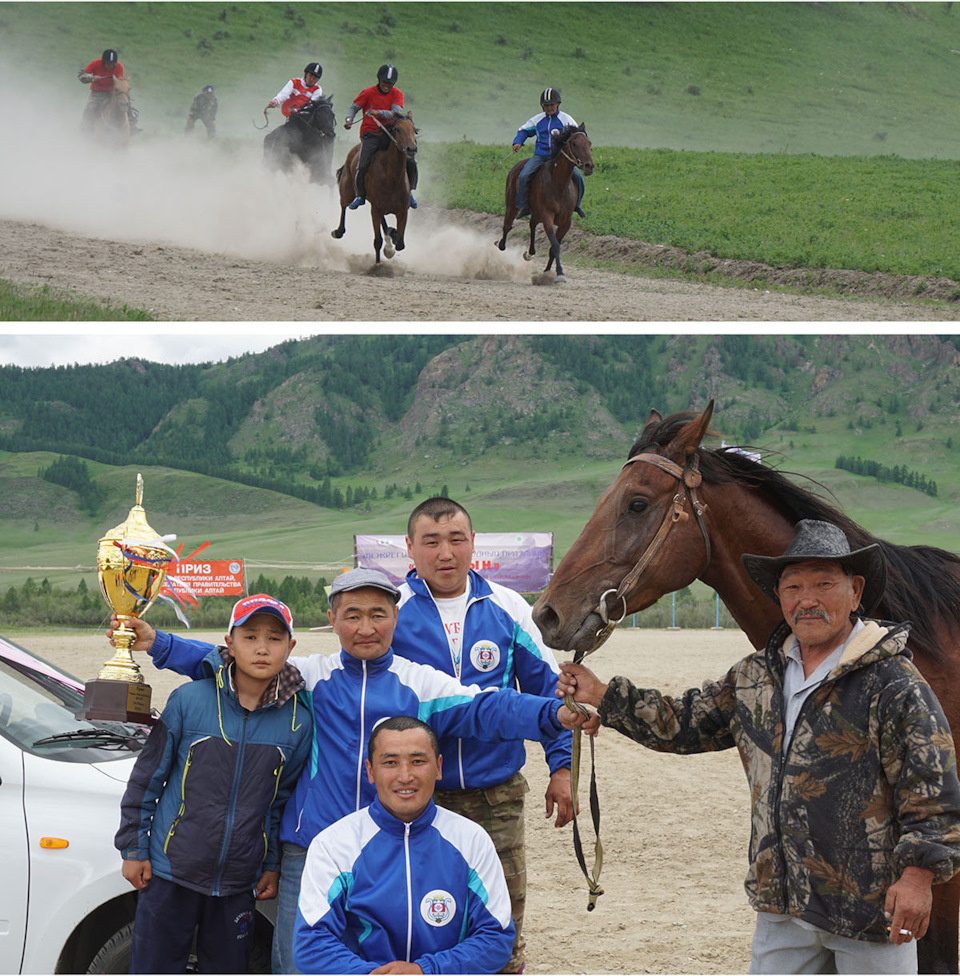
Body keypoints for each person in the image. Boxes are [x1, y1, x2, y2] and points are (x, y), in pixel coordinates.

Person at [109, 567, 589, 974]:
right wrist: (160, 644)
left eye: (378, 614)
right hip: (311, 848)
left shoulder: (419, 683)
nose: (366, 627)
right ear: (333, 620)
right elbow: (230, 660)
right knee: (302, 965)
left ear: (395, 619)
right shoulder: (307, 675)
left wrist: (552, 715)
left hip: (391, 845)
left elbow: (489, 708)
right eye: (353, 615)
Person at [557, 519, 960, 976]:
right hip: (782, 904)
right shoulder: (754, 676)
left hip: (869, 911)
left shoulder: (893, 682)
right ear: (779, 597)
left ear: (855, 590)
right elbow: (684, 722)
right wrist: (603, 697)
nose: (807, 599)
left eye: (824, 583)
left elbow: (933, 789)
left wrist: (918, 877)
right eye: (793, 587)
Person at [394, 496, 572, 974]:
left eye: (456, 539)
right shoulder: (390, 614)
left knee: (500, 915)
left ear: (474, 543)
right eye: (431, 542)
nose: (445, 553)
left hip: (496, 795)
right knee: (422, 917)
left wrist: (563, 768)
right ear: (410, 548)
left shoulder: (509, 608)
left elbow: (548, 696)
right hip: (413, 798)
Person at [114, 594, 312, 973]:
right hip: (172, 870)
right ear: (230, 643)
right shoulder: (189, 701)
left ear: (291, 647)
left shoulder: (298, 722)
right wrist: (133, 848)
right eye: (250, 636)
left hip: (238, 883)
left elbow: (277, 802)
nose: (262, 648)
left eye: (274, 638)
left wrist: (269, 864)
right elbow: (147, 780)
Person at [294, 715, 515, 974]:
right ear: (370, 771)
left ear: (439, 767)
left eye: (418, 761)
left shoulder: (471, 840)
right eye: (390, 762)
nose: (405, 776)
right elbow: (311, 943)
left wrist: (427, 971)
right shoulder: (334, 845)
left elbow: (496, 937)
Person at [343, 63, 418, 210]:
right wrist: (348, 120)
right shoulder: (367, 92)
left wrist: (378, 112)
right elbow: (354, 108)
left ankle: (409, 192)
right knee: (363, 163)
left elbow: (395, 113)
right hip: (370, 134)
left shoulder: (397, 94)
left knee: (410, 161)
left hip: (390, 133)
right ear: (379, 80)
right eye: (384, 82)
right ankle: (360, 195)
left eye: (390, 83)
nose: (387, 85)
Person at [511, 87, 586, 219]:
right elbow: (523, 130)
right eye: (546, 105)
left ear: (557, 104)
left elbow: (579, 135)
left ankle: (577, 205)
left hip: (560, 158)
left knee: (578, 178)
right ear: (542, 107)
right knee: (524, 175)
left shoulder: (566, 119)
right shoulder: (537, 120)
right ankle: (523, 206)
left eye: (552, 105)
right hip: (541, 155)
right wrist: (518, 141)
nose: (549, 108)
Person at [78, 48, 125, 133]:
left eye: (112, 64)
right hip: (98, 93)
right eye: (108, 64)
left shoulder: (119, 67)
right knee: (90, 109)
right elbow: (81, 76)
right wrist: (92, 78)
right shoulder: (95, 64)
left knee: (127, 106)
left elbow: (120, 82)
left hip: (113, 93)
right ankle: (86, 130)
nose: (110, 66)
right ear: (103, 62)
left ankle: (132, 126)